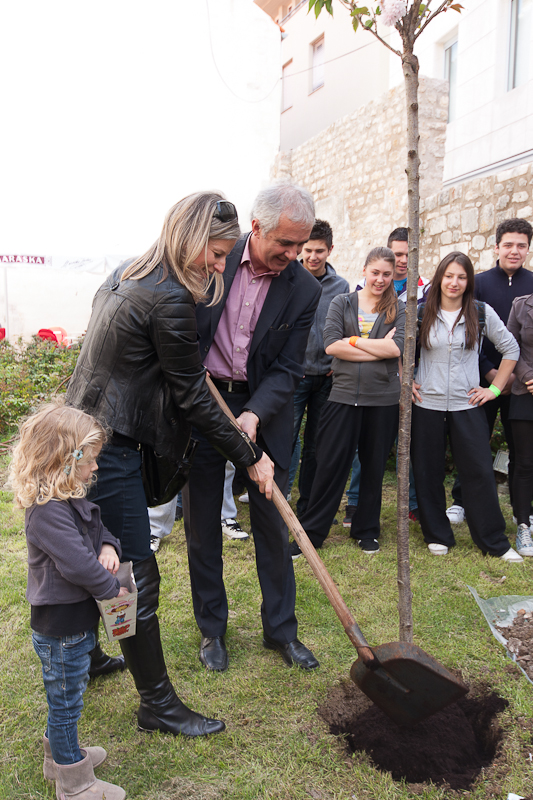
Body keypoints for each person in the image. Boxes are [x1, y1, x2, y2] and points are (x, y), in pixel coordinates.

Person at [66, 192, 275, 737]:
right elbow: (192, 397)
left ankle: (86, 658)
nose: (219, 263)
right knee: (135, 572)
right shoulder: (169, 298)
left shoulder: (128, 274)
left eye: (227, 254)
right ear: (191, 237)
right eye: (216, 251)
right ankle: (156, 704)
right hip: (109, 448)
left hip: (82, 433)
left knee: (94, 549)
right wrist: (249, 455)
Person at [182, 182, 322, 673]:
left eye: (300, 246)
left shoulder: (304, 289)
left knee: (272, 521)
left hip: (262, 410)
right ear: (256, 228)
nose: (292, 254)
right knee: (202, 524)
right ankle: (212, 631)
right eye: (284, 243)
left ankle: (281, 631)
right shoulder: (213, 259)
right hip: (205, 400)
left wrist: (255, 413)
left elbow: (289, 368)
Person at [10, 403, 127, 800]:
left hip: (74, 624)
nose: (95, 468)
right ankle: (74, 784)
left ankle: (57, 758)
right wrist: (114, 592)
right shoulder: (46, 513)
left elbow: (99, 530)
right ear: (65, 458)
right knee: (66, 703)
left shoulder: (68, 497)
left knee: (65, 695)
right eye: (90, 460)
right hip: (62, 629)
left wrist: (109, 545)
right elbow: (78, 565)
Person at [291, 246, 405, 558]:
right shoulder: (343, 302)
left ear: (393, 276)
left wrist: (352, 341)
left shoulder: (400, 308)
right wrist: (372, 345)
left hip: (382, 399)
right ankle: (312, 533)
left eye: (386, 274)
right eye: (375, 272)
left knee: (372, 467)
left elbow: (396, 349)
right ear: (365, 271)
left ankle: (366, 530)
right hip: (341, 396)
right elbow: (331, 346)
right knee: (330, 465)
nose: (380, 279)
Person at [411, 251, 522, 560]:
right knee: (427, 470)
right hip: (427, 404)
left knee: (478, 471)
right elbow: (398, 349)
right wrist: (404, 381)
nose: (454, 282)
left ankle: (493, 540)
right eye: (449, 276)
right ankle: (437, 534)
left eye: (461, 277)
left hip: (467, 403)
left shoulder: (481, 312)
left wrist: (495, 389)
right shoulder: (421, 313)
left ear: (469, 281)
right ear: (439, 279)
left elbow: (510, 348)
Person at [446, 218, 533, 525]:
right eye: (508, 244)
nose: (514, 251)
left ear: (527, 249)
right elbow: (469, 333)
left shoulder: (532, 284)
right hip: (483, 377)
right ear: (497, 247)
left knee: (522, 450)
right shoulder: (479, 282)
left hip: (524, 384)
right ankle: (461, 500)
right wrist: (492, 373)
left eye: (521, 245)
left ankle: (522, 511)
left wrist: (518, 376)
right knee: (473, 441)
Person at [345, 226, 428, 527]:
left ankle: (414, 504)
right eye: (397, 254)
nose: (402, 259)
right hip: (370, 375)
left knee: (406, 441)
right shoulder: (362, 289)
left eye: (407, 254)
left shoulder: (426, 289)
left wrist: (409, 376)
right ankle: (355, 502)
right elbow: (351, 337)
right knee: (366, 444)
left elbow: (411, 342)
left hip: (411, 375)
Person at [288, 219, 350, 517]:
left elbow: (346, 330)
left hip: (327, 378)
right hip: (294, 377)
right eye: (308, 250)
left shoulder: (341, 287)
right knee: (285, 441)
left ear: (330, 250)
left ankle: (307, 505)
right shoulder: (289, 277)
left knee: (316, 446)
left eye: (319, 251)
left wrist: (337, 363)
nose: (313, 257)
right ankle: (276, 500)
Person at [505, 294, 533, 556]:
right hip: (526, 392)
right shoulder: (521, 305)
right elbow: (511, 347)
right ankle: (523, 523)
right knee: (524, 463)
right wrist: (527, 377)